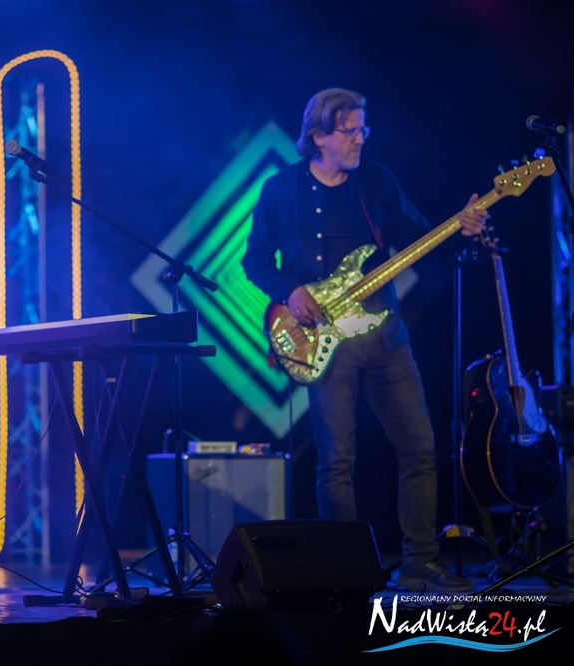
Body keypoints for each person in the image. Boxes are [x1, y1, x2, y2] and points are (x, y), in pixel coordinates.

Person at [242, 88, 486, 592]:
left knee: (419, 450)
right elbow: (255, 261)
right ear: (318, 137)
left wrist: (459, 230)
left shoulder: (377, 182)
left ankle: (421, 562)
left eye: (362, 130)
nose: (359, 139)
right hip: (322, 342)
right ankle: (343, 572)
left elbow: (421, 239)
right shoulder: (279, 189)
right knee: (336, 462)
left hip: (386, 337)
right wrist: (290, 291)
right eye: (349, 131)